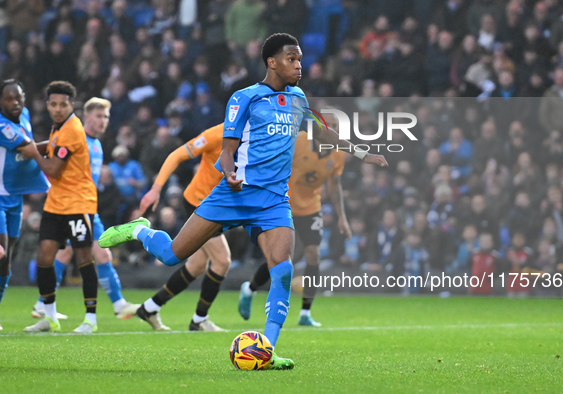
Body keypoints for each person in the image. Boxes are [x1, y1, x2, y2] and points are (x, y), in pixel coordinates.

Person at [98, 33, 387, 369]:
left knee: (282, 270)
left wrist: (363, 152)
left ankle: (266, 351)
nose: (299, 65)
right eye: (292, 59)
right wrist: (230, 172)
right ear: (272, 62)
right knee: (171, 254)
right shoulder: (245, 98)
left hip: (274, 201)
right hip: (233, 194)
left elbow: (322, 132)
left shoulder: (297, 99)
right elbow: (227, 150)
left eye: (300, 59)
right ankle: (139, 230)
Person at [30, 98, 140, 321]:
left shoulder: (96, 144)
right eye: (99, 116)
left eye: (106, 117)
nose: (103, 121)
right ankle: (115, 305)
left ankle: (43, 304)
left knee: (91, 252)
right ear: (86, 116)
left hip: (87, 206)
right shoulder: (76, 138)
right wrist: (29, 148)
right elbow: (51, 152)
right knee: (83, 252)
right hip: (72, 206)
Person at [238, 131, 351, 327]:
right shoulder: (299, 140)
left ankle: (305, 313)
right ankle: (249, 289)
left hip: (311, 208)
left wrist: (342, 216)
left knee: (313, 254)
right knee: (282, 257)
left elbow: (335, 185)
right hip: (284, 205)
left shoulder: (338, 154)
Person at [135, 123, 230, 332]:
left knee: (196, 266)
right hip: (200, 202)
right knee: (222, 260)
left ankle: (150, 308)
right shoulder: (215, 134)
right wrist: (156, 189)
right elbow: (176, 155)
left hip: (219, 206)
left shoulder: (257, 137)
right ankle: (199, 320)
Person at [21, 81, 99, 333]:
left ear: (71, 106)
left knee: (84, 259)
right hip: (56, 203)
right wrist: (26, 147)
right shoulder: (59, 128)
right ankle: (50, 316)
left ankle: (91, 319)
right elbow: (51, 146)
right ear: (47, 105)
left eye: (62, 105)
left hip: (78, 202)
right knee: (44, 257)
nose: (57, 109)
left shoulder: (73, 130)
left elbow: (53, 169)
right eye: (53, 104)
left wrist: (32, 152)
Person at [0, 79, 50, 331]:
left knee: (6, 259)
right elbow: (30, 149)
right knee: (0, 251)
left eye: (18, 97)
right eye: (9, 98)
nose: (15, 102)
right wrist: (61, 144)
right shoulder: (1, 125)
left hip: (14, 197)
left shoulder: (25, 115)